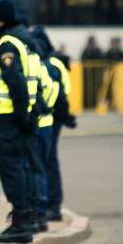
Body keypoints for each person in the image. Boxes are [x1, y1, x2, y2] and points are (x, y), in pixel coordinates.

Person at [0, 0, 39, 244]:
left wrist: (20, 114)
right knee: (20, 168)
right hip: (16, 116)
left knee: (12, 170)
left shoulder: (7, 45)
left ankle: (20, 223)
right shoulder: (19, 41)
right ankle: (24, 219)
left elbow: (15, 82)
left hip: (9, 117)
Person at [32, 27, 77, 222]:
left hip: (52, 117)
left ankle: (53, 205)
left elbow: (57, 95)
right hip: (55, 116)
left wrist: (65, 117)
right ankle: (52, 204)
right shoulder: (56, 62)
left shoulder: (51, 64)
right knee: (48, 162)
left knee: (47, 162)